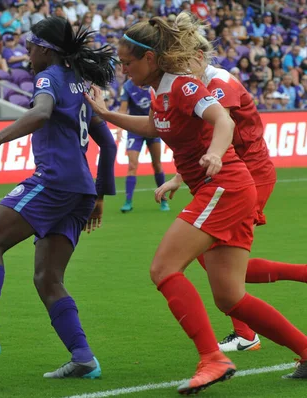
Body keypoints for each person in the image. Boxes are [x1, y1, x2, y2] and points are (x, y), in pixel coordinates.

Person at [84, 13, 307, 394]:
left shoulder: (184, 87)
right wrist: (107, 115)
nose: (122, 70)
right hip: (224, 187)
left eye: (127, 62)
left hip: (224, 186)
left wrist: (217, 154)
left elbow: (224, 121)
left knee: (164, 268)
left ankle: (213, 358)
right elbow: (154, 127)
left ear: (150, 59)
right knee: (230, 296)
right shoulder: (160, 90)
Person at [0, 17, 118, 379]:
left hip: (54, 182)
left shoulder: (48, 77)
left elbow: (41, 112)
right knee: (47, 278)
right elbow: (109, 144)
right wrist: (99, 195)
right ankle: (83, 357)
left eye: (31, 46)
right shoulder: (81, 85)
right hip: (80, 192)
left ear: (46, 50)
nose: (27, 52)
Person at [169, 26, 307, 355]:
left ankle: (246, 332)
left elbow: (221, 127)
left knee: (214, 261)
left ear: (199, 57)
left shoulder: (219, 83)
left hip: (248, 177)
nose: (180, 72)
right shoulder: (204, 82)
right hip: (232, 177)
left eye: (184, 63)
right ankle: (249, 328)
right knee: (213, 260)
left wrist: (180, 176)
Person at [118, 79, 169, 213]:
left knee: (157, 164)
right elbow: (123, 109)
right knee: (132, 165)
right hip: (134, 129)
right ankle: (128, 201)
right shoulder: (128, 86)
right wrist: (119, 128)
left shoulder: (152, 82)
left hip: (153, 127)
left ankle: (163, 200)